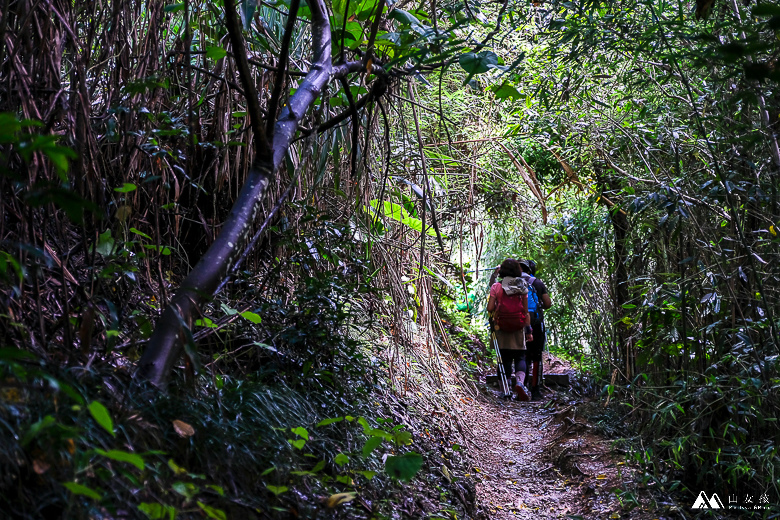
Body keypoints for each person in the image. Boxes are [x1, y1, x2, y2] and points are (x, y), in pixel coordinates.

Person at [487, 259, 534, 401]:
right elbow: (525, 311)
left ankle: (505, 390)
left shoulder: (496, 286)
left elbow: (490, 308)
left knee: (504, 358)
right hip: (518, 327)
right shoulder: (522, 285)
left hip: (501, 326)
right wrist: (528, 330)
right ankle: (519, 382)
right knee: (520, 356)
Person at [518, 259, 552, 401]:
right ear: (530, 270)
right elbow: (548, 303)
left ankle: (521, 385)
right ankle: (535, 390)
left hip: (519, 323)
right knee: (537, 356)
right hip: (536, 324)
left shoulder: (511, 283)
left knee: (522, 355)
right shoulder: (537, 283)